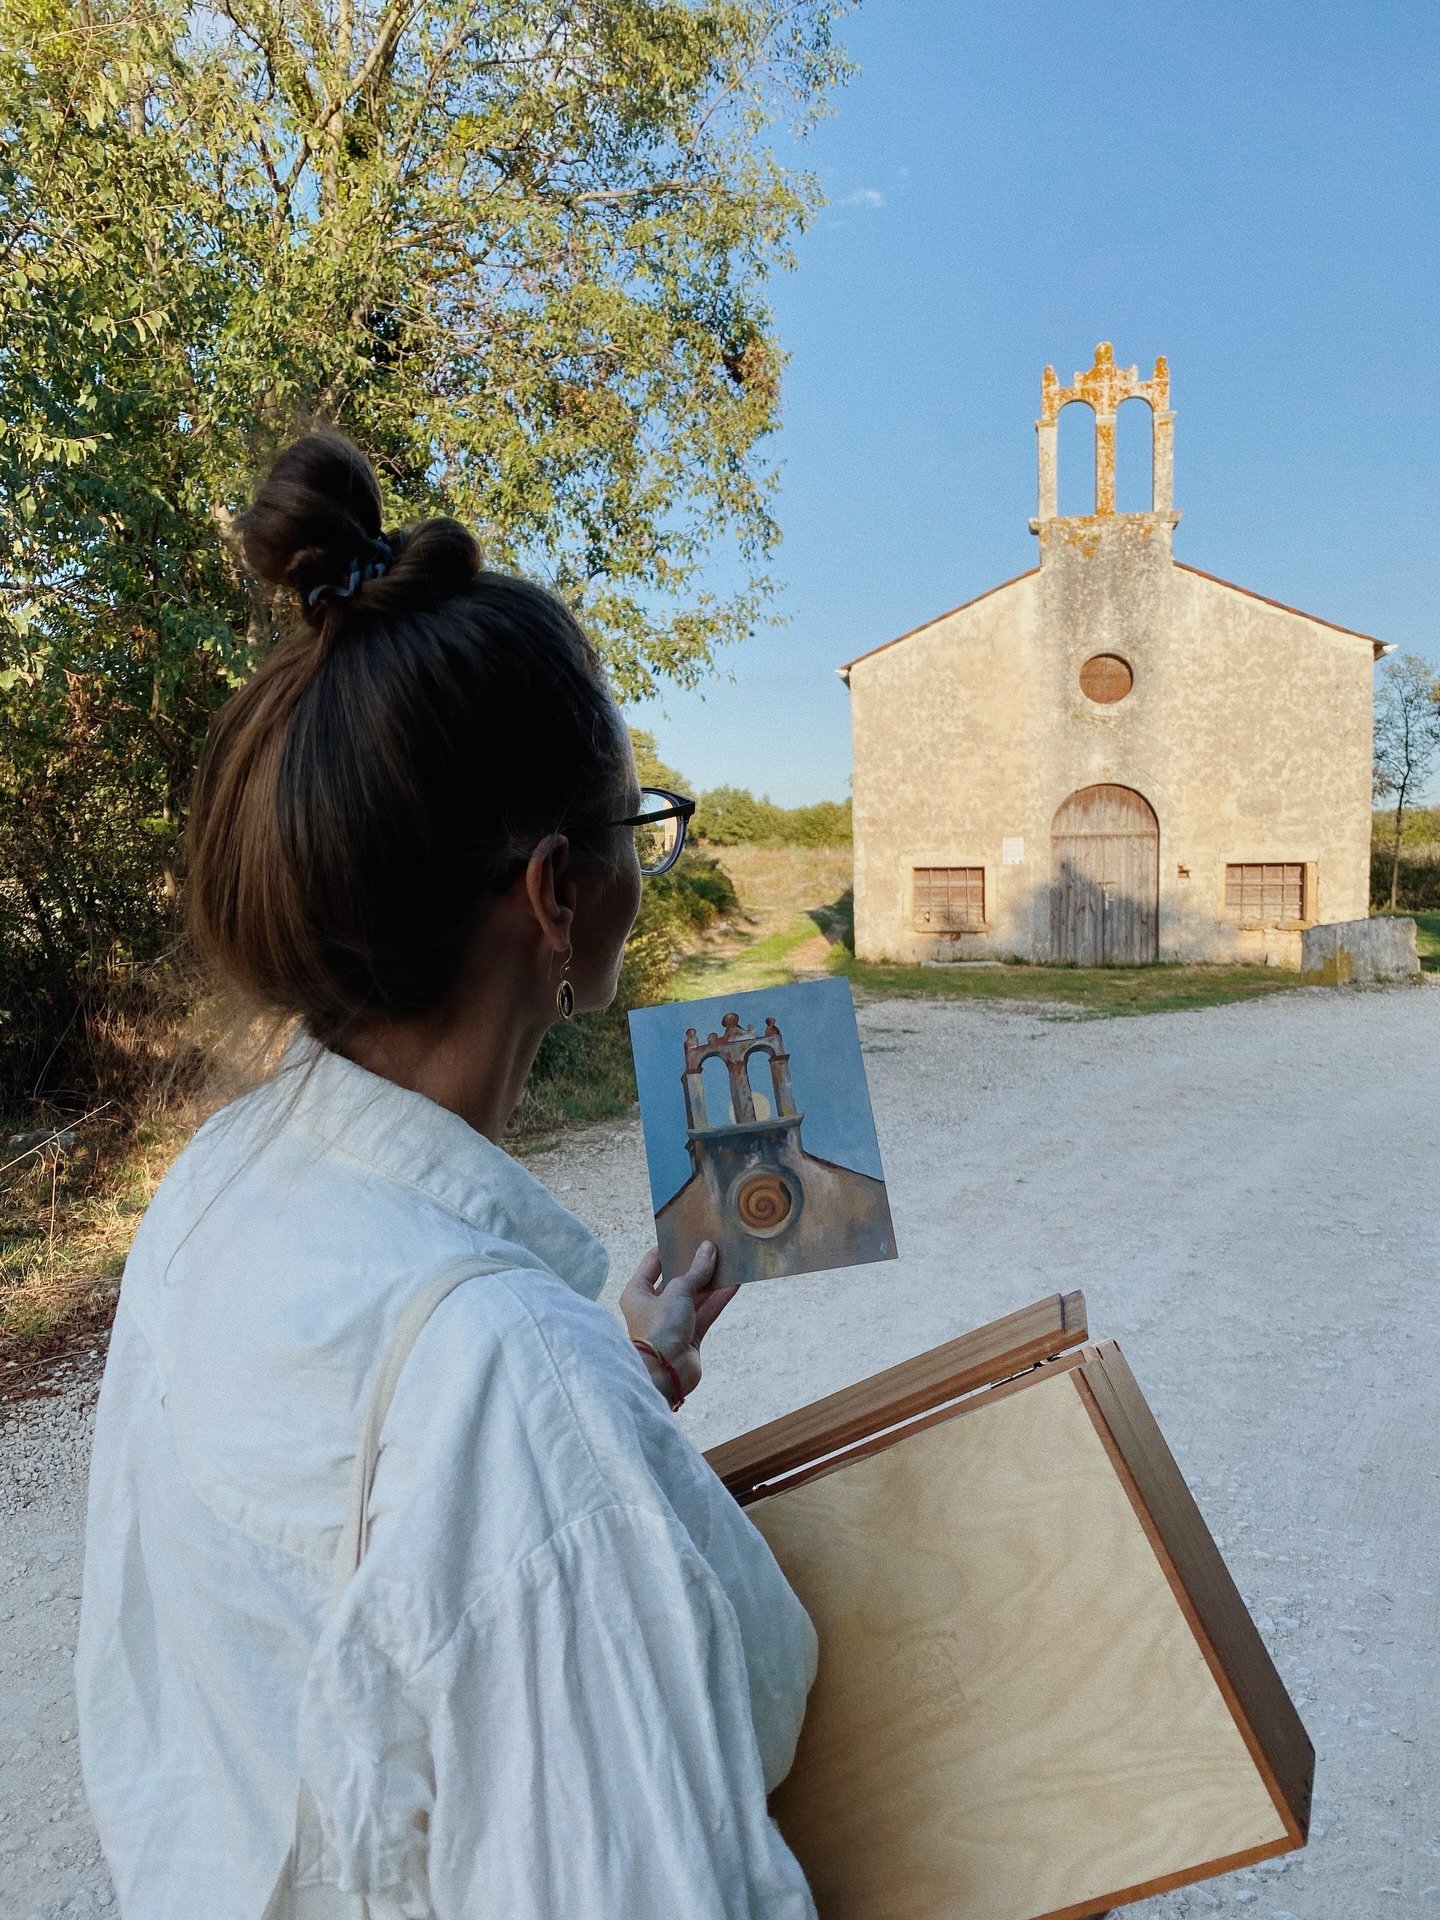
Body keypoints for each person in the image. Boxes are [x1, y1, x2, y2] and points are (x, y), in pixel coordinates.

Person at [74, 433, 819, 1920]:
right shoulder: (514, 1394)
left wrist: (610, 1372)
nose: (638, 860)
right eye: (635, 827)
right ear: (557, 893)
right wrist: (565, 1406)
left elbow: (342, 1587)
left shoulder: (224, 1181)